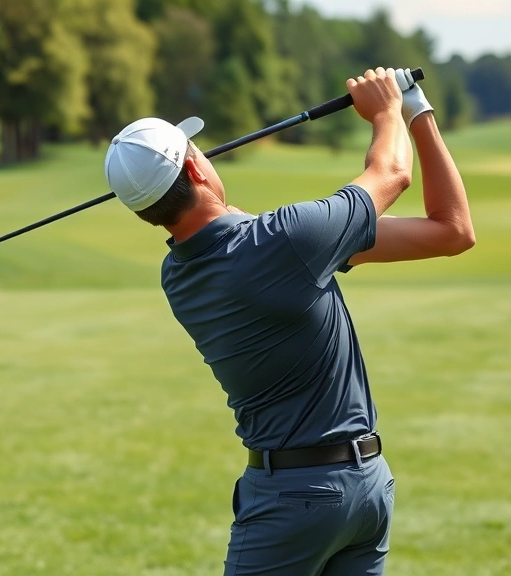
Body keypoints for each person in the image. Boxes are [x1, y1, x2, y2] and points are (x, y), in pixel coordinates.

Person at [103, 67, 474, 576]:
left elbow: (452, 231)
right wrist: (395, 109)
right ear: (194, 169)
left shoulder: (183, 275)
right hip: (363, 489)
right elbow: (396, 176)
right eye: (200, 153)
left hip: (293, 496)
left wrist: (415, 111)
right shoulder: (289, 243)